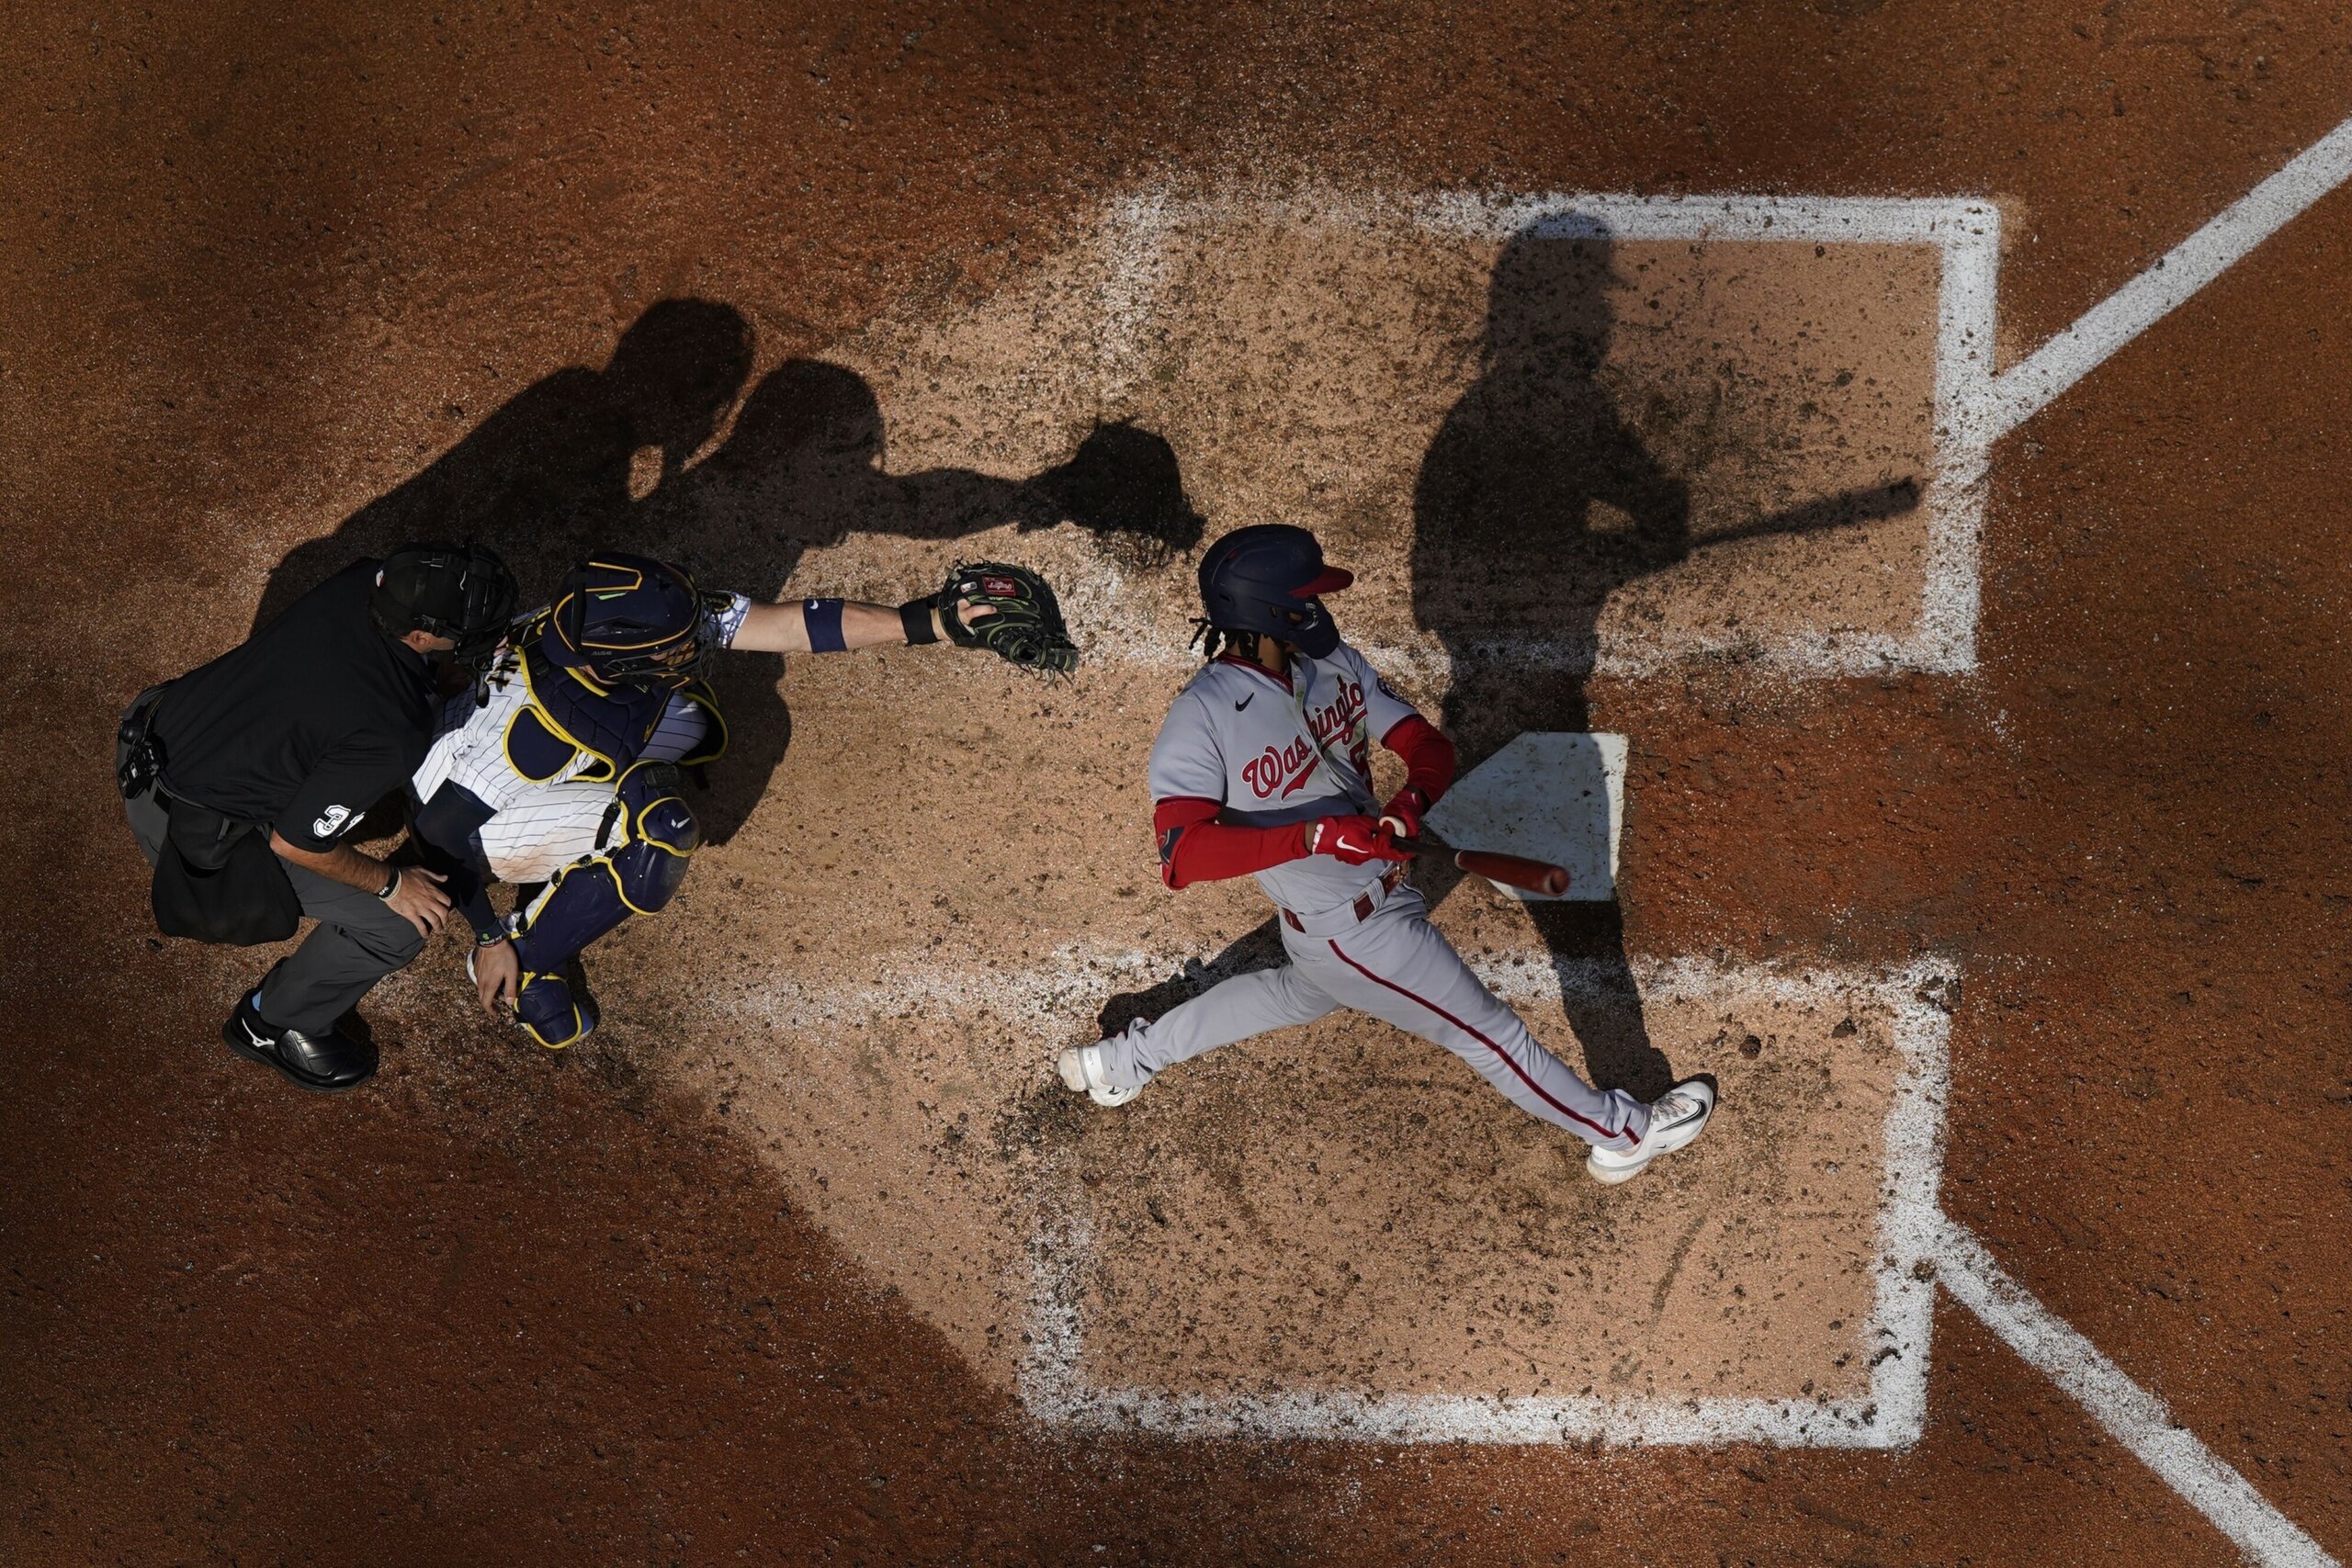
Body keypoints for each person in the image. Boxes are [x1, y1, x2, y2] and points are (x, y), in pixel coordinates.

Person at [1057, 524, 1714, 1185]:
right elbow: (1183, 855)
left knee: (1295, 992)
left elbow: (1429, 747)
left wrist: (1411, 802)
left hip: (1357, 914)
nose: (1318, 608)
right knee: (1488, 1035)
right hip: (1356, 934)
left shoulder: (1333, 663)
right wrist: (1314, 837)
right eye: (1302, 599)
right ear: (1262, 611)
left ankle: (1122, 1063)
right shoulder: (1202, 719)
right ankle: (1622, 1133)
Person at [406, 552, 1075, 1048]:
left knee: (693, 720)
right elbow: (437, 841)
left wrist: (930, 622)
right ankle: (529, 963)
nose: (693, 646)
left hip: (546, 743)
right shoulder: (526, 738)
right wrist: (489, 936)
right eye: (673, 650)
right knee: (658, 831)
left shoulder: (605, 627)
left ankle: (571, 861)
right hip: (478, 818)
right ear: (621, 666)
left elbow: (788, 626)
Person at [118, 544, 518, 1092]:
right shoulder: (392, 733)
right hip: (187, 832)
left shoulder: (369, 579)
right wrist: (392, 883)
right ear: (420, 637)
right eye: (475, 629)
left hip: (155, 726)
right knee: (398, 926)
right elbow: (297, 844)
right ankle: (271, 1022)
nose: (492, 638)